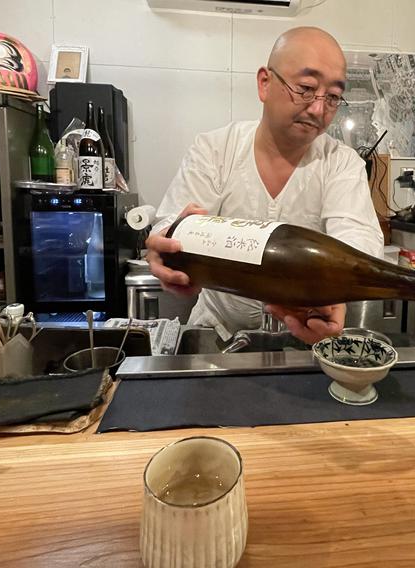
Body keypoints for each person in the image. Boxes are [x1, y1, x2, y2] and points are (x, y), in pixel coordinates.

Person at [146, 27, 384, 344]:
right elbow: (172, 225)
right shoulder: (215, 150)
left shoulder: (341, 163)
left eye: (333, 97)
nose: (318, 109)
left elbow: (358, 243)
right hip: (217, 335)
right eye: (306, 88)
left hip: (302, 338)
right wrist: (166, 245)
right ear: (264, 83)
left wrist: (335, 295)